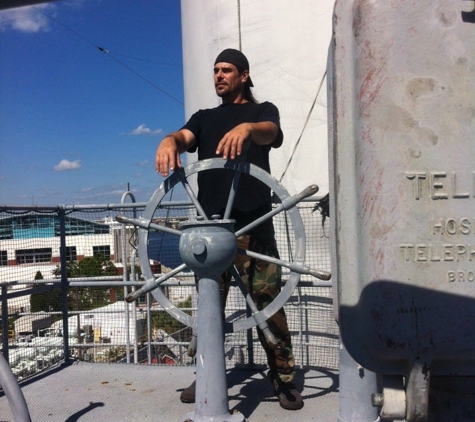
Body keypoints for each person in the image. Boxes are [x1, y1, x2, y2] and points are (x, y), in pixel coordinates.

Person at [155, 48, 303, 410]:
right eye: (216, 70)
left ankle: (283, 380)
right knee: (209, 310)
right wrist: (168, 141)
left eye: (227, 70)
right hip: (211, 232)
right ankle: (206, 376)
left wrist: (248, 128)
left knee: (269, 307)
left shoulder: (261, 112)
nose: (219, 75)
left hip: (256, 229)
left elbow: (271, 133)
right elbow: (184, 137)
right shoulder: (204, 118)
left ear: (244, 75)